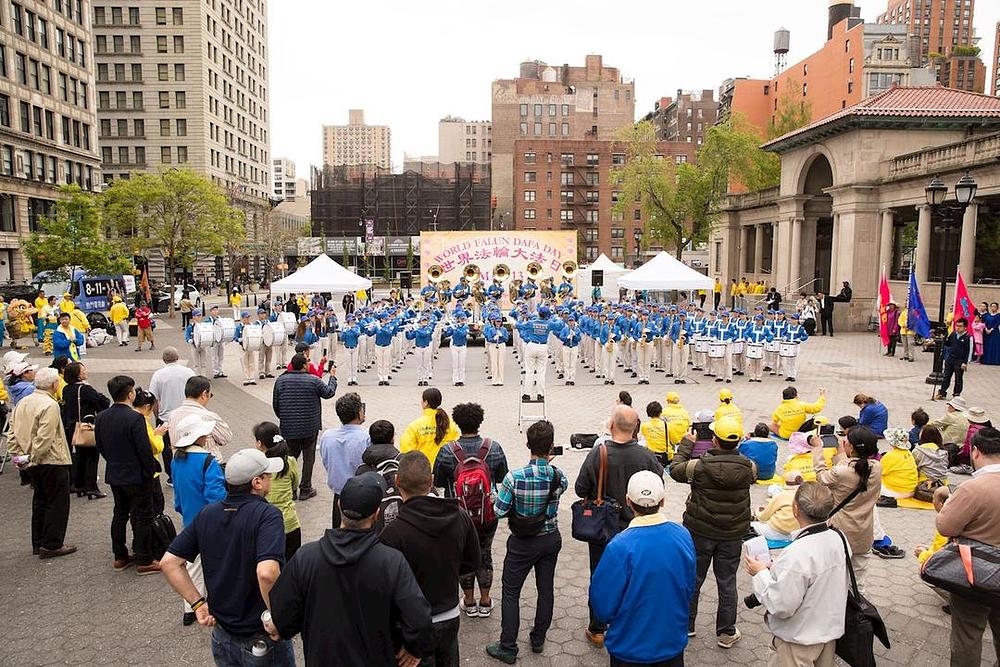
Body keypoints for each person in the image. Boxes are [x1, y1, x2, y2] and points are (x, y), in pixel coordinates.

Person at [266, 472, 433, 666]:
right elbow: (419, 619)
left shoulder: (306, 558)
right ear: (376, 514)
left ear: (339, 506)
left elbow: (283, 619)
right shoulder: (391, 562)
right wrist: (414, 649)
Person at [161, 449, 295, 666]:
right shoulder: (267, 516)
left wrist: (197, 603)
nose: (271, 478)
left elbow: (169, 562)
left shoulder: (207, 514)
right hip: (260, 636)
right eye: (268, 475)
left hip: (222, 634)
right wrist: (278, 618)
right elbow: (267, 573)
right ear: (257, 482)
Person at [380, 452, 481, 667]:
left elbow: (386, 587)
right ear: (432, 481)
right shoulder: (459, 515)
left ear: (397, 482)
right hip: (450, 614)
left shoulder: (392, 534)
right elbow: (472, 562)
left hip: (410, 623)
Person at [576, 406, 664, 648]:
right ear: (636, 428)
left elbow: (580, 488)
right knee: (634, 577)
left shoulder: (598, 453)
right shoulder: (646, 456)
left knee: (600, 575)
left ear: (611, 425)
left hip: (603, 529)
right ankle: (629, 624)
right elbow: (659, 485)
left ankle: (597, 628)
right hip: (637, 528)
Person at [590, 471, 697, 667]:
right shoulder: (682, 535)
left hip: (629, 648)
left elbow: (602, 604)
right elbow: (689, 586)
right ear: (663, 501)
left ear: (628, 501)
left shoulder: (619, 546)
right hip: (671, 642)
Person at [670, 415, 756, 648]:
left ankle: (687, 625)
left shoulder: (698, 466)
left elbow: (674, 469)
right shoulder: (749, 467)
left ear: (714, 440)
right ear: (738, 441)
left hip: (700, 531)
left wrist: (687, 444)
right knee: (727, 582)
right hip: (732, 535)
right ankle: (726, 632)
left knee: (693, 579)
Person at [486, 420, 567, 664]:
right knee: (546, 589)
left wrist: (494, 496)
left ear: (527, 444)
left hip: (522, 542)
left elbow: (499, 511)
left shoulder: (514, 478)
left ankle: (508, 646)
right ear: (551, 447)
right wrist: (548, 464)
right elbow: (561, 486)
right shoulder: (558, 476)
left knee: (511, 592)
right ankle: (538, 638)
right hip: (550, 538)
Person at [744, 482, 850, 666]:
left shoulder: (797, 552)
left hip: (799, 640)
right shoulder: (839, 538)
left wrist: (760, 572)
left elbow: (781, 605)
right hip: (828, 633)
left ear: (795, 509)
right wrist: (778, 567)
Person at [935, 427, 1000, 666]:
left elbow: (945, 526)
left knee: (968, 634)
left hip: (977, 572)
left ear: (975, 452)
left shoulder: (973, 488)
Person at [95, 375, 160, 575]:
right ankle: (145, 558)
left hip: (115, 473)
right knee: (142, 516)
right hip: (137, 475)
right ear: (130, 394)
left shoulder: (102, 417)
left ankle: (120, 555)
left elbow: (100, 446)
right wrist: (150, 471)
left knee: (120, 513)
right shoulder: (135, 418)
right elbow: (144, 450)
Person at [8, 367, 76, 558]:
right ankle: (52, 544)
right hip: (51, 459)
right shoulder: (50, 405)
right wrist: (34, 457)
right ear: (54, 384)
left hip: (29, 458)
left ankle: (38, 542)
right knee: (57, 502)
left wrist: (19, 455)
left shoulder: (23, 402)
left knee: (40, 500)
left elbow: (12, 433)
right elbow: (45, 436)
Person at [169, 413, 227, 625]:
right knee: (217, 563)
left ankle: (190, 607)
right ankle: (218, 604)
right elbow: (216, 497)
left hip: (189, 519)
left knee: (192, 565)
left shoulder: (176, 460)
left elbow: (177, 494)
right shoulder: (208, 461)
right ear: (200, 436)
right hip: (210, 521)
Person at [812, 425, 882, 578]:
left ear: (851, 447)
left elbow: (822, 477)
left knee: (831, 577)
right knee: (857, 581)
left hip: (839, 532)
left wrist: (818, 449)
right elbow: (854, 466)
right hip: (863, 534)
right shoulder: (877, 468)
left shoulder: (841, 472)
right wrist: (843, 452)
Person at [272, 352, 337, 500]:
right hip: (309, 427)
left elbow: (276, 405)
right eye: (308, 361)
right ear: (303, 366)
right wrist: (332, 377)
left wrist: (285, 418)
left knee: (290, 457)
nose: (309, 364)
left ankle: (291, 488)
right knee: (308, 458)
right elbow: (329, 392)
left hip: (288, 427)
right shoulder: (313, 380)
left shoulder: (280, 381)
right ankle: (305, 488)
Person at [318, 392, 370, 528]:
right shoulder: (366, 437)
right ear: (359, 413)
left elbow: (327, 462)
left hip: (339, 494)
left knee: (338, 529)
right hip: (362, 494)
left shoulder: (327, 436)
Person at [62, 361, 111, 499]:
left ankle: (79, 485)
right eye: (83, 371)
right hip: (86, 426)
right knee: (92, 456)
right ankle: (91, 486)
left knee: (79, 456)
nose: (86, 372)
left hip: (72, 426)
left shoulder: (66, 389)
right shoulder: (84, 389)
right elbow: (103, 402)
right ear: (78, 375)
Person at [148, 348, 196, 485]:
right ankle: (190, 472)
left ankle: (172, 476)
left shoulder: (158, 375)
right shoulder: (188, 372)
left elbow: (154, 398)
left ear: (163, 359)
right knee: (189, 444)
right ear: (178, 357)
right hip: (187, 415)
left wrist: (157, 416)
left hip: (166, 418)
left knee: (168, 449)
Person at [167, 376, 232, 462]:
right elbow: (226, 438)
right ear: (204, 394)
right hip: (207, 466)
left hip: (180, 465)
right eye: (210, 395)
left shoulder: (172, 416)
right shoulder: (209, 417)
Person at [400, 387, 460, 467]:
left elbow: (406, 449)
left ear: (426, 403)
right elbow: (457, 447)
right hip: (445, 469)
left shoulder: (415, 425)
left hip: (423, 470)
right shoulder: (450, 424)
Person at [752, 472, 803, 541]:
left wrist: (757, 513)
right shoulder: (806, 495)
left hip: (777, 532)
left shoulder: (781, 496)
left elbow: (763, 517)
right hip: (798, 533)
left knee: (752, 525)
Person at [877, 428, 919, 507]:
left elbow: (877, 472)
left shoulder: (890, 456)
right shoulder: (909, 453)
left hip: (896, 491)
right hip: (911, 490)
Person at [936, 317, 973, 400]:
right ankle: (942, 392)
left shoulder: (968, 337)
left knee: (958, 378)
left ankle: (956, 394)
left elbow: (969, 350)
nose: (958, 328)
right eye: (957, 326)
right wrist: (944, 338)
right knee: (946, 376)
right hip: (950, 359)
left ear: (965, 327)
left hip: (960, 360)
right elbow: (948, 344)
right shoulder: (953, 334)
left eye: (960, 326)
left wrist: (966, 362)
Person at [930, 396, 971, 463]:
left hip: (948, 446)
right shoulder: (968, 417)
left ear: (953, 407)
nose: (948, 407)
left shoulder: (950, 416)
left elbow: (935, 424)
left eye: (949, 406)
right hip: (961, 446)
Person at [641, 401, 671, 466]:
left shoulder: (644, 426)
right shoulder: (666, 425)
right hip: (665, 456)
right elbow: (673, 440)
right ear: (660, 412)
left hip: (651, 456)